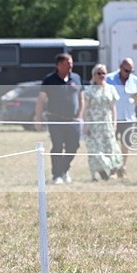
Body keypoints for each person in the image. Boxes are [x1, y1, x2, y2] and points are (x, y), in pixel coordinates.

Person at [34, 53, 84, 184]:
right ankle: (57, 175)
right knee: (57, 146)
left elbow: (81, 98)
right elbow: (41, 100)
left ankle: (64, 170)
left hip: (73, 120)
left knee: (73, 146)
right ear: (59, 65)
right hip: (55, 119)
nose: (71, 66)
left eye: (72, 63)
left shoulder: (76, 78)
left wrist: (80, 115)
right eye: (68, 63)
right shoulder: (49, 80)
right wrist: (38, 119)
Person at [105, 58, 137, 178]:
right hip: (112, 118)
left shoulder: (135, 81)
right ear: (120, 67)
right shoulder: (109, 79)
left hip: (128, 117)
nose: (128, 73)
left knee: (125, 144)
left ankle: (122, 167)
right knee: (112, 144)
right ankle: (113, 169)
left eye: (131, 71)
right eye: (126, 70)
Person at [82, 64, 123, 181]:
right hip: (94, 124)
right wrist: (86, 124)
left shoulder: (111, 89)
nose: (101, 76)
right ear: (93, 75)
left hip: (107, 124)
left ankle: (112, 172)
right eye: (98, 73)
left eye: (103, 73)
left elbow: (113, 108)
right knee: (94, 149)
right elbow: (86, 109)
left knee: (110, 148)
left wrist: (114, 123)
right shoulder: (89, 90)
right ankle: (96, 173)